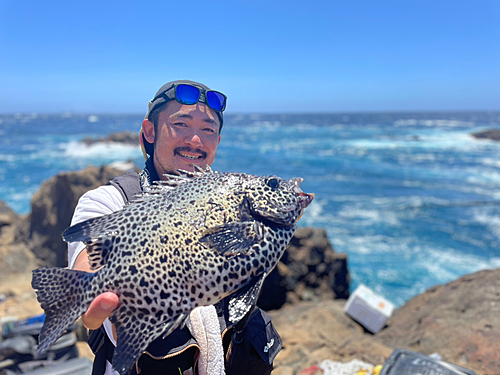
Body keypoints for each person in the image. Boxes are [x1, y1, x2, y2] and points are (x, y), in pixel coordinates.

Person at [67, 80, 282, 375]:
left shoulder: (233, 201)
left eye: (208, 130)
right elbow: (90, 264)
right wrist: (87, 295)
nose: (195, 140)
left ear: (217, 141)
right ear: (149, 132)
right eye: (181, 124)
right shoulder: (109, 202)